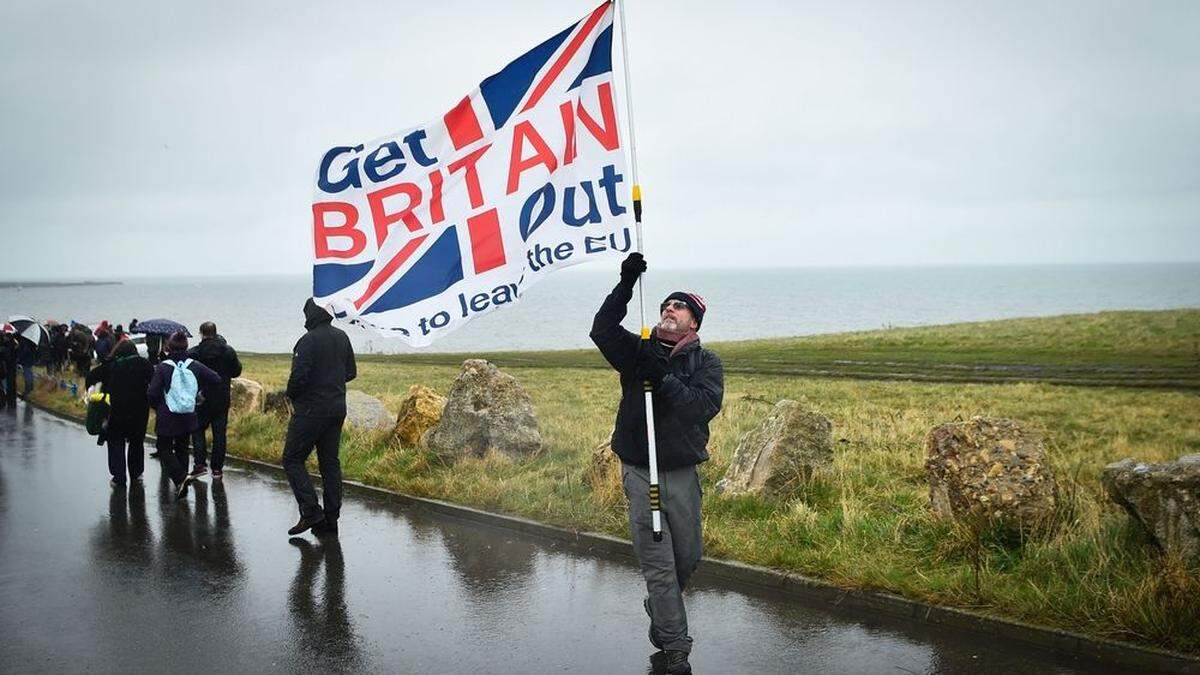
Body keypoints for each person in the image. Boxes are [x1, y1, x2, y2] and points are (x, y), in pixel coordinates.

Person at [589, 252, 724, 675]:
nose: (669, 308)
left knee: (687, 558)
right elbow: (602, 329)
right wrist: (626, 282)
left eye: (679, 306)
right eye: (666, 304)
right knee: (660, 566)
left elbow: (702, 407)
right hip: (639, 471)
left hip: (682, 473)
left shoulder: (706, 363)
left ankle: (659, 605)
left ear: (694, 323)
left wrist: (662, 379)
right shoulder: (636, 351)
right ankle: (676, 648)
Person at [282, 298, 356, 536]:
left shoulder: (307, 341)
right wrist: (330, 382)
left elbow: (298, 378)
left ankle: (311, 512)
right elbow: (351, 372)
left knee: (292, 459)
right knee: (330, 463)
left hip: (311, 410)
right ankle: (331, 519)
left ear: (310, 314)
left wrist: (291, 395)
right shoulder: (342, 337)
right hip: (337, 408)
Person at [147, 331, 220, 499]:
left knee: (163, 448)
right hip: (188, 414)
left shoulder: (163, 367)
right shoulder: (195, 365)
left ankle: (180, 479)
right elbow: (216, 379)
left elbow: (152, 393)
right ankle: (183, 485)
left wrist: (157, 407)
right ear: (186, 346)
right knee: (182, 448)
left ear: (168, 348)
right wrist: (198, 392)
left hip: (167, 415)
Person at [87, 340, 153, 485]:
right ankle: (136, 473)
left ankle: (119, 477)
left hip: (116, 409)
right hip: (140, 409)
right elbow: (153, 384)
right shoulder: (145, 364)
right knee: (136, 442)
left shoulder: (112, 366)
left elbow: (91, 377)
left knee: (116, 442)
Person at [187, 321, 242, 479]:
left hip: (200, 397)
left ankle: (199, 464)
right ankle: (217, 469)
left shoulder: (194, 353)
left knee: (197, 431)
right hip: (221, 397)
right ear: (216, 332)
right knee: (220, 434)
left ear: (201, 333)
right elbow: (236, 371)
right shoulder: (228, 351)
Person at [0, 329, 17, 408]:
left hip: (6, 367)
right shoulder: (14, 344)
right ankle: (8, 396)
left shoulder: (6, 346)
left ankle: (6, 397)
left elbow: (7, 357)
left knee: (6, 382)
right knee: (7, 382)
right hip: (8, 367)